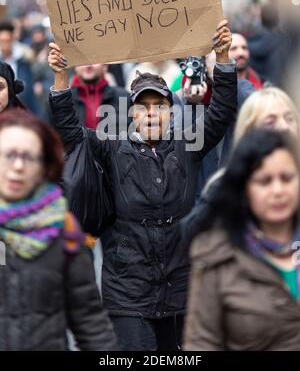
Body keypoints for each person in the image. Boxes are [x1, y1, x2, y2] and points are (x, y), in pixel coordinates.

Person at [48, 19, 237, 351]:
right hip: (127, 289)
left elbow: (220, 111)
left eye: (159, 107)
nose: (151, 114)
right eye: (143, 107)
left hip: (180, 285)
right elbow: (69, 130)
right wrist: (61, 78)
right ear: (131, 113)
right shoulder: (111, 146)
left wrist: (222, 58)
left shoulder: (188, 144)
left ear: (170, 112)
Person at [0, 109, 117, 351]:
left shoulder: (65, 233)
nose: (19, 166)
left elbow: (91, 324)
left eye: (30, 157)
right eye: (9, 155)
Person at [184, 129, 300, 351]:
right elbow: (202, 342)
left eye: (286, 178)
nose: (278, 190)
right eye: (264, 181)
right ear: (245, 190)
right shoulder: (216, 255)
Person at [181, 86, 300, 248]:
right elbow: (190, 234)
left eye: (289, 118)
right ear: (249, 130)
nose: (284, 127)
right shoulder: (226, 183)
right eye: (271, 122)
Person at [0, 21, 40, 114]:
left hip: (23, 104)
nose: (5, 44)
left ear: (12, 39)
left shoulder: (24, 58)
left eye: (7, 40)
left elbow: (30, 84)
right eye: (2, 41)